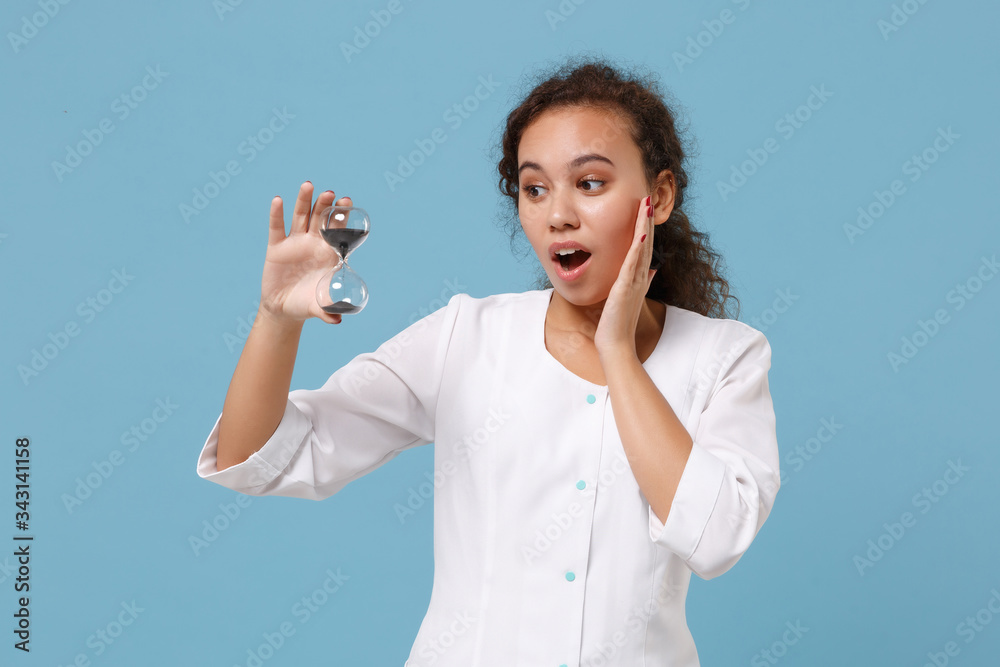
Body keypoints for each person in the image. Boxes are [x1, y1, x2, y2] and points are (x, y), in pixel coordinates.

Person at [195, 56, 780, 666]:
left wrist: (618, 354)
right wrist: (275, 320)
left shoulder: (725, 357)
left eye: (590, 183)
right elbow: (256, 459)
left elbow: (716, 538)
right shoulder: (465, 338)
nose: (558, 215)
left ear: (657, 197)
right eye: (535, 189)